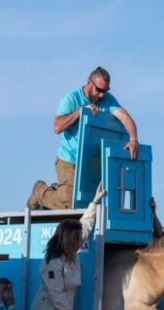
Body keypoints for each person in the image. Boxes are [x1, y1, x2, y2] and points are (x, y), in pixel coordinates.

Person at [27, 66, 138, 210]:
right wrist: (80, 112)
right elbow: (57, 127)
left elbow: (124, 117)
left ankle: (61, 190)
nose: (102, 95)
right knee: (69, 204)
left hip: (90, 163)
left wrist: (133, 139)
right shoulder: (71, 99)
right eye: (99, 90)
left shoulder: (107, 100)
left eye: (105, 91)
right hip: (69, 160)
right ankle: (40, 191)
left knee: (90, 202)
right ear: (89, 82)